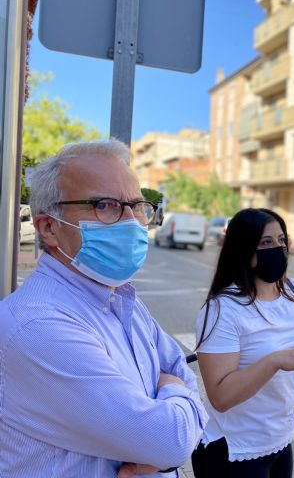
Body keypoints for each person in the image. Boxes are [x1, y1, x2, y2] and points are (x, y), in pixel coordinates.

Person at [0, 141, 208, 477]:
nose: (131, 221)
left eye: (137, 205)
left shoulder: (122, 300)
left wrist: (174, 391)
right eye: (104, 205)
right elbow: (171, 442)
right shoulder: (38, 325)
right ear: (49, 227)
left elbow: (177, 369)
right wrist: (173, 392)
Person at [191, 208, 294, 478]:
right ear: (243, 249)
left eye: (281, 240)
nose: (277, 249)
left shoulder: (292, 290)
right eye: (266, 243)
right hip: (234, 449)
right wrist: (275, 360)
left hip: (279, 439)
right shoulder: (222, 309)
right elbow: (220, 397)